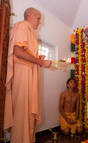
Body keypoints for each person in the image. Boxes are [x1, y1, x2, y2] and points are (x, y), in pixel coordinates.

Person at [4, 8, 52, 143]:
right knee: (22, 113)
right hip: (22, 76)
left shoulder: (31, 32)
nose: (39, 22)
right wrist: (40, 61)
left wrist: (36, 57)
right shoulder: (22, 26)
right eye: (38, 18)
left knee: (28, 115)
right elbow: (17, 51)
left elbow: (25, 53)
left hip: (28, 75)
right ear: (29, 16)